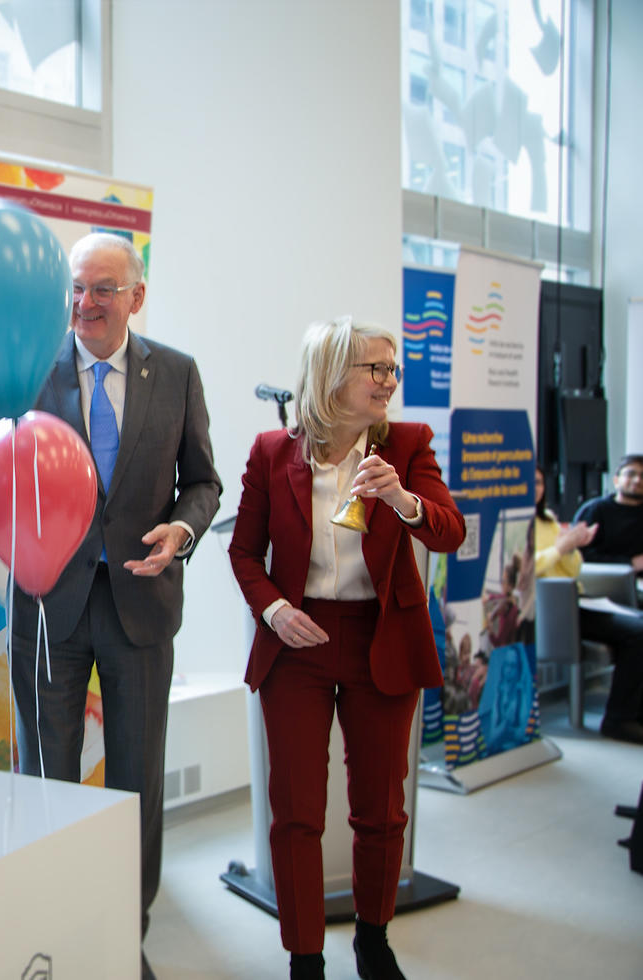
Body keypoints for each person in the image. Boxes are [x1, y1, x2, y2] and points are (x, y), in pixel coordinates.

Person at [228, 316, 464, 980]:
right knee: (296, 812)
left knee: (381, 810)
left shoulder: (408, 445)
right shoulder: (272, 452)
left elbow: (449, 531)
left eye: (393, 369)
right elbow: (244, 552)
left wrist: (402, 498)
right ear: (332, 374)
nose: (389, 382)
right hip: (296, 643)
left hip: (379, 638)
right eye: (376, 369)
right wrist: (275, 610)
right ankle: (305, 956)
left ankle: (373, 939)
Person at [9, 232, 221, 961]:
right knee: (47, 777)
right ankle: (51, 934)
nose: (86, 302)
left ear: (137, 296)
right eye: (77, 287)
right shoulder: (27, 370)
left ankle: (125, 939)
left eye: (103, 288)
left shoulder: (178, 374)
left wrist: (183, 531)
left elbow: (203, 481)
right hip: (49, 606)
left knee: (136, 782)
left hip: (142, 603)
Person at [536, 474, 643, 743]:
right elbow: (527, 568)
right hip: (550, 606)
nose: (535, 487)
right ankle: (619, 719)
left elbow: (574, 569)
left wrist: (572, 548)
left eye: (539, 482)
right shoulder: (518, 523)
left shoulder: (547, 520)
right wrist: (560, 548)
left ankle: (634, 713)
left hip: (578, 599)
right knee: (639, 633)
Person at [575, 454, 643, 576]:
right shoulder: (595, 509)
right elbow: (580, 555)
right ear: (616, 480)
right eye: (630, 474)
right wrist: (630, 563)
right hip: (602, 580)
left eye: (642, 476)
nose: (637, 480)